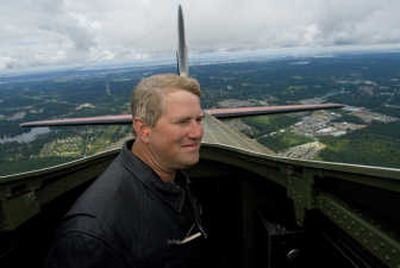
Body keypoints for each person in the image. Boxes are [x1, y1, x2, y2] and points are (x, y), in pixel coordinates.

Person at [46, 73, 207, 268]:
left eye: (199, 120)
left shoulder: (174, 177)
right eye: (182, 122)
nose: (197, 133)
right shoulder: (91, 234)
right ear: (143, 130)